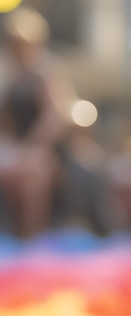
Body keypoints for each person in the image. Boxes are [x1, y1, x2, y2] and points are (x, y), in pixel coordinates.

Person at [0, 7, 74, 238]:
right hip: (19, 148)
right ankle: (13, 235)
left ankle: (32, 238)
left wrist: (31, 145)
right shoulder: (11, 78)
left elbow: (55, 117)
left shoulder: (44, 74)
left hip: (43, 149)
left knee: (31, 176)